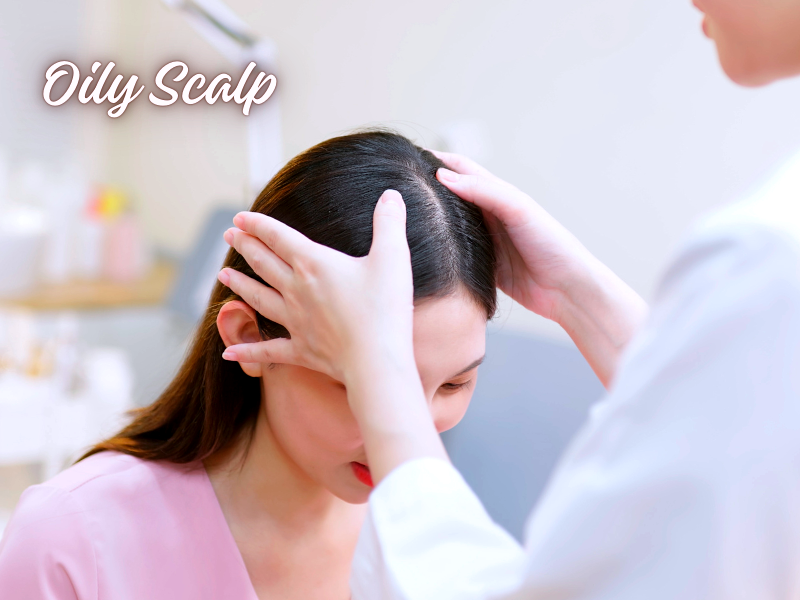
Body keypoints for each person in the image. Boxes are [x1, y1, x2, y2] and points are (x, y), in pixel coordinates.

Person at [217, 1, 800, 598]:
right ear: (247, 336)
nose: (422, 419)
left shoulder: (774, 254)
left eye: (454, 384)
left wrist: (374, 366)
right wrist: (572, 292)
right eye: (348, 380)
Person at [0, 131, 505, 600]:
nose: (417, 429)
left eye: (455, 383)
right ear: (249, 336)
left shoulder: (439, 538)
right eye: (365, 380)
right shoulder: (72, 540)